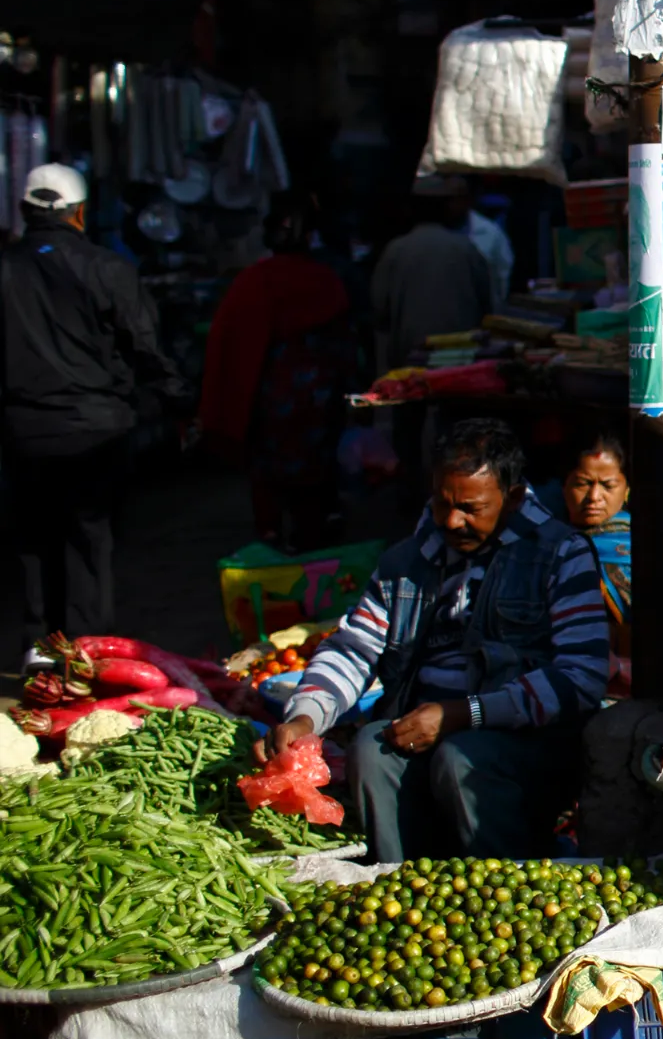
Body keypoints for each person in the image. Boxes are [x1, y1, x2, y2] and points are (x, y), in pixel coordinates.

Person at [257, 418, 609, 860]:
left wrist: (466, 713)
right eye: (442, 504)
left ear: (513, 499)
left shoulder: (561, 554)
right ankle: (404, 884)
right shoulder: (405, 561)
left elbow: (581, 678)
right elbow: (354, 649)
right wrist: (306, 717)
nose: (451, 520)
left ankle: (503, 882)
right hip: (425, 731)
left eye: (471, 508)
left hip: (527, 744)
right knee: (371, 748)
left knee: (462, 758)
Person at [0, 164, 187, 644]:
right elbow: (146, 346)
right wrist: (181, 405)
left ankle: (41, 648)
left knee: (32, 540)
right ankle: (85, 651)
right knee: (89, 539)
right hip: (97, 429)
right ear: (79, 214)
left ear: (24, 211)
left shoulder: (6, 266)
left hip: (25, 430)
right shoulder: (108, 269)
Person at [200, 193, 355, 550]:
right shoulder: (326, 280)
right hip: (318, 401)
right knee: (313, 481)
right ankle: (311, 545)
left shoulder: (254, 281)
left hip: (269, 400)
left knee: (268, 480)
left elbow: (228, 344)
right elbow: (345, 344)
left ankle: (271, 542)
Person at [541, 426, 631, 697]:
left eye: (608, 486)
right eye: (583, 484)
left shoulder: (640, 548)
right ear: (563, 484)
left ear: (627, 489)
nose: (594, 498)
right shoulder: (544, 545)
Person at [370, 176, 491, 369]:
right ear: (446, 208)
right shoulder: (465, 249)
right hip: (457, 359)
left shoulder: (396, 251)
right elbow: (487, 307)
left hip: (410, 360)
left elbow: (379, 313)